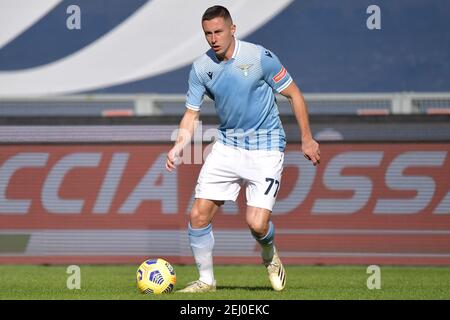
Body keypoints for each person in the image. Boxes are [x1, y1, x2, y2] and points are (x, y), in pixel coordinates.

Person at [165, 5, 320, 293]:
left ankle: (269, 254)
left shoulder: (259, 57)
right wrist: (178, 146)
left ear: (232, 29)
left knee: (257, 224)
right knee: (198, 215)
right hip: (227, 146)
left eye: (219, 31)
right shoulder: (201, 67)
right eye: (208, 33)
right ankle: (206, 281)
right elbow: (191, 114)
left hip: (266, 147)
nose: (213, 38)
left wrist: (307, 139)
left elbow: (294, 94)